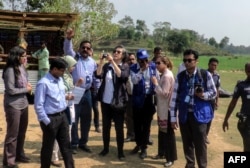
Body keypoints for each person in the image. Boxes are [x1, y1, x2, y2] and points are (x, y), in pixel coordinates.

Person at [170, 49, 217, 168]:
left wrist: (203, 95)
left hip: (200, 116)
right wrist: (173, 117)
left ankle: (202, 166)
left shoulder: (205, 74)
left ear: (196, 61)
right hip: (185, 115)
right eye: (185, 60)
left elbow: (214, 92)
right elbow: (175, 97)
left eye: (189, 60)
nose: (187, 63)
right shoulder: (180, 77)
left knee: (200, 144)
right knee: (187, 143)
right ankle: (190, 165)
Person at [34, 58, 75, 168]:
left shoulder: (60, 80)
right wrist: (46, 121)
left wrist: (67, 97)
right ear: (54, 69)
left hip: (62, 116)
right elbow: (38, 105)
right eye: (62, 70)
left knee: (66, 146)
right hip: (50, 119)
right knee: (48, 148)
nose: (63, 73)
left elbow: (59, 96)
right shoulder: (43, 83)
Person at [64, 28, 97, 153]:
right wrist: (69, 38)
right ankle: (74, 143)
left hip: (88, 93)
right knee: (74, 118)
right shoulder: (74, 58)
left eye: (88, 48)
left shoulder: (93, 62)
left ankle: (84, 142)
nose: (85, 50)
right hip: (76, 91)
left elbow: (95, 77)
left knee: (86, 118)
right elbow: (67, 49)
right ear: (79, 49)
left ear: (91, 51)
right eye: (83, 47)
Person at [96, 45, 129, 161]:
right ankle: (105, 148)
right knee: (106, 127)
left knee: (119, 128)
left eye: (118, 52)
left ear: (123, 55)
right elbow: (98, 74)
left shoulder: (124, 66)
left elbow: (122, 76)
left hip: (118, 102)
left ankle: (120, 151)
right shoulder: (106, 66)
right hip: (105, 101)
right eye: (114, 51)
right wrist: (101, 62)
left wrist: (113, 62)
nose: (115, 53)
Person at [2, 46, 32, 168]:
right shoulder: (10, 70)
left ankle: (19, 154)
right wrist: (26, 89)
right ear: (17, 56)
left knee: (22, 132)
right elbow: (10, 90)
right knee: (12, 133)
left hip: (23, 103)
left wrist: (27, 85)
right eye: (23, 56)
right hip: (13, 105)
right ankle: (9, 161)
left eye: (25, 55)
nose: (25, 58)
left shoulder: (22, 68)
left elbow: (25, 82)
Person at [130, 49, 159, 159]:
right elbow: (134, 81)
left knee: (146, 125)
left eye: (146, 59)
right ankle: (138, 144)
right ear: (138, 60)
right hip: (137, 99)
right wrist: (141, 71)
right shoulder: (133, 68)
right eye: (142, 60)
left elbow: (157, 79)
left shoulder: (153, 67)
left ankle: (144, 147)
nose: (144, 62)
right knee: (137, 124)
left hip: (148, 99)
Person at [151, 56, 177, 167]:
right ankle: (161, 153)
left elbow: (165, 93)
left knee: (168, 134)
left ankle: (170, 157)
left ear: (165, 63)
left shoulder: (166, 76)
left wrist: (156, 84)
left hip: (167, 109)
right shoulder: (165, 74)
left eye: (158, 63)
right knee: (162, 132)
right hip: (163, 108)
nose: (156, 65)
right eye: (155, 63)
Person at [223, 63, 250, 152]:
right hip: (245, 121)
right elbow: (233, 103)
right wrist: (226, 119)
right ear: (246, 71)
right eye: (249, 71)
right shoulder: (241, 85)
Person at [206, 57, 220, 144]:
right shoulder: (203, 74)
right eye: (212, 65)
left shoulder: (217, 76)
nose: (214, 67)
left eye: (215, 66)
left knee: (210, 118)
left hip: (212, 100)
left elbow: (217, 89)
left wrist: (217, 101)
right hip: (204, 99)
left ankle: (205, 135)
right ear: (208, 64)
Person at [124, 53, 137, 142]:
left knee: (140, 117)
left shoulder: (138, 69)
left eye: (133, 59)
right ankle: (130, 134)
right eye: (129, 59)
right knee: (129, 117)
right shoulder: (125, 70)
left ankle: (144, 136)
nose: (131, 61)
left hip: (138, 96)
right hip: (128, 96)